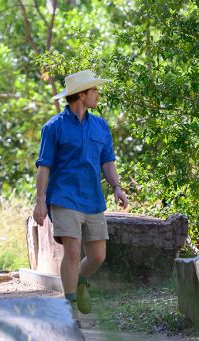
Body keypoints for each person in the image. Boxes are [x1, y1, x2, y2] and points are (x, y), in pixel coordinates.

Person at [33, 70, 128, 321]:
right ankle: (69, 307)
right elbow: (44, 166)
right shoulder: (53, 127)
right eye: (94, 90)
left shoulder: (100, 125)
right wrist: (40, 201)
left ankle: (80, 281)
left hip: (93, 199)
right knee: (72, 252)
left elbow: (107, 161)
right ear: (82, 94)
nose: (98, 94)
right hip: (63, 198)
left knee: (98, 256)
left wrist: (117, 187)